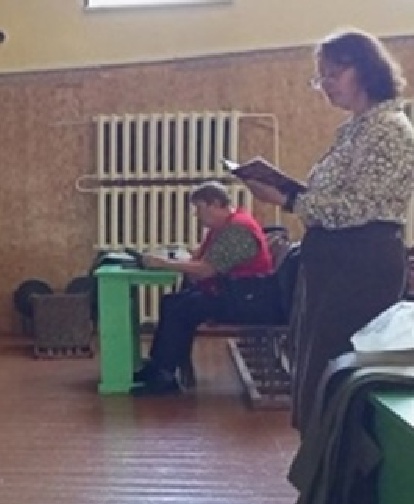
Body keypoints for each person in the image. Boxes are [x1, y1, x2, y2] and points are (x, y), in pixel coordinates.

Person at [238, 29, 414, 431]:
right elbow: (336, 199)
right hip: (333, 263)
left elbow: (359, 209)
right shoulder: (355, 129)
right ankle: (318, 461)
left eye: (334, 74)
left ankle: (337, 465)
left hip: (360, 265)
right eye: (322, 78)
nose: (326, 85)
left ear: (365, 70)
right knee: (317, 367)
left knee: (338, 370)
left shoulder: (389, 129)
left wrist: (287, 199)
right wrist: (292, 193)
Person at [133, 181, 276, 395]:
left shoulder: (237, 230)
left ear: (215, 204)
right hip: (236, 293)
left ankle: (164, 376)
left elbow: (206, 270)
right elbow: (205, 263)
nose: (197, 215)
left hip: (247, 300)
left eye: (199, 208)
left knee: (181, 309)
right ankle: (159, 367)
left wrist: (164, 263)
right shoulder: (225, 227)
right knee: (173, 303)